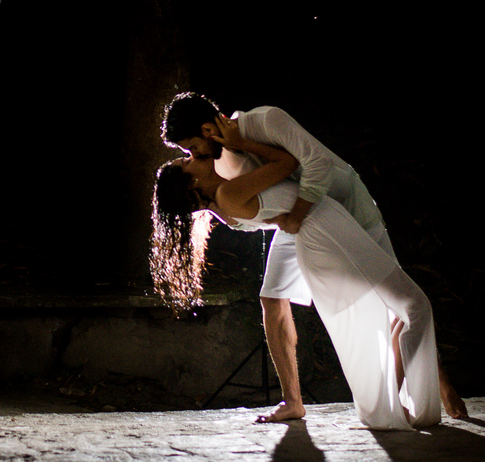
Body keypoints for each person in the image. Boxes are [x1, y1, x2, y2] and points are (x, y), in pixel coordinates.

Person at [158, 92, 467, 425]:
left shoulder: (265, 120)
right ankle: (293, 401)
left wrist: (285, 209)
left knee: (397, 304)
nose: (191, 156)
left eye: (189, 150)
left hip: (339, 204)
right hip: (301, 217)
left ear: (207, 130)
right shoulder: (218, 164)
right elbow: (252, 211)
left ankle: (433, 382)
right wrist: (231, 211)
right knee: (272, 298)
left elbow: (314, 164)